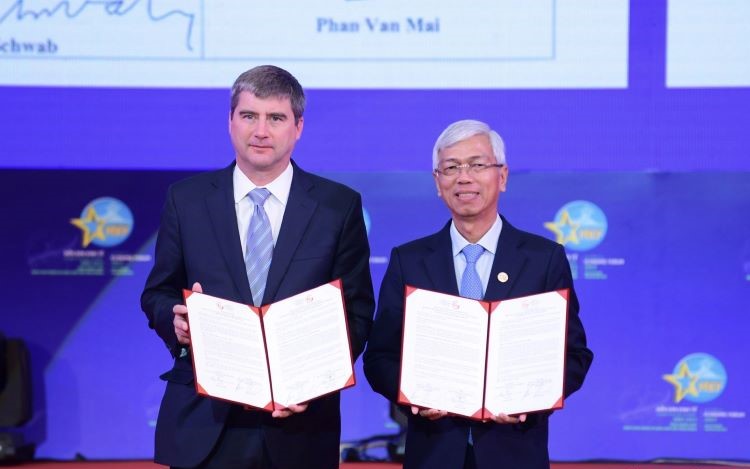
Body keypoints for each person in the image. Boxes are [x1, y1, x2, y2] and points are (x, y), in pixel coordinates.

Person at [141, 65, 375, 469]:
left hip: (300, 425)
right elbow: (157, 293)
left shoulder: (338, 207)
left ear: (298, 126)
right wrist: (174, 322)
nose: (261, 131)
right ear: (231, 122)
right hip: (205, 421)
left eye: (276, 118)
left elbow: (355, 312)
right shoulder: (187, 200)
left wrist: (313, 383)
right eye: (249, 116)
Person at [363, 119, 593, 469]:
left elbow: (574, 355)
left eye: (477, 164)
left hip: (515, 452)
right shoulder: (408, 261)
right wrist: (412, 396)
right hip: (433, 453)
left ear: (502, 177)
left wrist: (531, 401)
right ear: (438, 183)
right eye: (451, 167)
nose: (464, 177)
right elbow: (379, 357)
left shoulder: (543, 259)